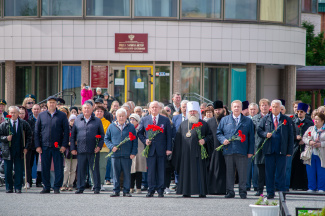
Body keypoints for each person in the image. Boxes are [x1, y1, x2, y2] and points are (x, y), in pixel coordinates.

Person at [172, 101, 212, 197]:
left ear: (198, 112)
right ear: (188, 112)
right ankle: (186, 191)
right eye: (191, 111)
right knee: (186, 172)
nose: (192, 113)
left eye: (194, 111)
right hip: (185, 154)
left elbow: (210, 136)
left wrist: (204, 140)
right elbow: (178, 140)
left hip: (198, 153)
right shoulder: (183, 124)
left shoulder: (204, 124)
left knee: (199, 172)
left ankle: (201, 191)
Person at [217, 100, 255, 199]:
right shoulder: (225, 120)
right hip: (228, 150)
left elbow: (251, 137)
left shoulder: (248, 121)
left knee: (242, 173)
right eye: (235, 107)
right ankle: (230, 191)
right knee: (229, 172)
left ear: (241, 108)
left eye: (238, 107)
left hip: (242, 151)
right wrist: (223, 140)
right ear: (231, 108)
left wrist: (251, 151)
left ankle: (242, 191)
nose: (237, 108)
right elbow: (219, 133)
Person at [257, 99, 294, 199]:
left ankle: (282, 193)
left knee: (281, 173)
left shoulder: (286, 119)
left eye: (276, 106)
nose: (274, 108)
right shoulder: (266, 119)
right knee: (269, 173)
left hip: (281, 150)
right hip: (269, 150)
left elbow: (291, 136)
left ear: (280, 108)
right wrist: (265, 134)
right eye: (272, 107)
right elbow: (259, 130)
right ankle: (270, 192)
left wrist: (289, 151)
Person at [35, 96, 70, 194]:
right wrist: (37, 146)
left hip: (57, 147)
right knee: (45, 167)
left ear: (56, 104)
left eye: (54, 102)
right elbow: (37, 132)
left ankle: (56, 187)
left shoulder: (62, 115)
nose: (52, 104)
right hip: (44, 146)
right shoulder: (41, 115)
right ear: (47, 103)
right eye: (50, 102)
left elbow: (66, 132)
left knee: (58, 167)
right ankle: (46, 186)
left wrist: (64, 145)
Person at [138, 101, 172, 197]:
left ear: (159, 109)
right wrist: (145, 140)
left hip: (162, 149)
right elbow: (140, 133)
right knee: (151, 171)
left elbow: (169, 135)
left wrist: (169, 148)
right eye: (152, 107)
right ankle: (151, 189)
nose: (154, 109)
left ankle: (161, 190)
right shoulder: (144, 119)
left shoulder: (165, 120)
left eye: (156, 107)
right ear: (149, 109)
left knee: (161, 170)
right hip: (150, 149)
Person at [105, 108, 137, 197]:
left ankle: (126, 191)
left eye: (123, 116)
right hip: (115, 155)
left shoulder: (131, 127)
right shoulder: (111, 126)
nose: (121, 118)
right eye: (120, 116)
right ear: (116, 116)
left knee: (127, 173)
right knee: (115, 173)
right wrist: (111, 147)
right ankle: (116, 190)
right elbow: (106, 139)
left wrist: (133, 152)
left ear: (126, 116)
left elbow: (135, 141)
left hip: (127, 155)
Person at [0, 106, 32, 193]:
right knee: (8, 170)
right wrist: (6, 138)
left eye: (14, 113)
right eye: (11, 113)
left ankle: (18, 187)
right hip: (8, 150)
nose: (13, 114)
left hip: (19, 149)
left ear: (18, 114)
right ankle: (9, 187)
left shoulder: (23, 123)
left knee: (18, 169)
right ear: (9, 114)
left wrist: (26, 147)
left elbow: (29, 136)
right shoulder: (4, 124)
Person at [291, 103, 313, 191]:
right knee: (295, 166)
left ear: (305, 112)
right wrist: (295, 137)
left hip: (305, 148)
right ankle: (294, 185)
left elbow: (311, 134)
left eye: (301, 112)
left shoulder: (309, 123)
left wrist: (304, 139)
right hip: (295, 147)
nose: (299, 113)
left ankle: (304, 185)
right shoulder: (293, 122)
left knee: (304, 166)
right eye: (298, 111)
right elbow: (289, 133)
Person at [207, 100, 226, 195]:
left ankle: (222, 189)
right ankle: (212, 189)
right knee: (212, 169)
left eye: (219, 110)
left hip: (225, 149)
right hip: (212, 149)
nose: (217, 112)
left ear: (223, 109)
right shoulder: (209, 122)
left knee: (223, 170)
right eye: (216, 110)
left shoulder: (227, 120)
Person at [302, 112, 325, 193]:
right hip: (311, 153)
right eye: (315, 120)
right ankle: (311, 187)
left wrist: (321, 144)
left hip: (322, 154)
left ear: (322, 121)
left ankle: (321, 188)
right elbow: (304, 137)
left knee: (321, 171)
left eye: (318, 120)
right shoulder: (310, 129)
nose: (315, 121)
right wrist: (309, 141)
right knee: (310, 171)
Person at [252, 98, 270, 196]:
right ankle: (259, 190)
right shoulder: (255, 118)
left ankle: (270, 189)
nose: (263, 107)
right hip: (258, 146)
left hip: (269, 146)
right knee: (259, 170)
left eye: (265, 105)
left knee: (270, 169)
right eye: (262, 105)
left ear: (269, 106)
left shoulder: (272, 117)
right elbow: (252, 134)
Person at [93, 106, 111, 191]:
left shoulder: (107, 123)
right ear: (95, 112)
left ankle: (101, 183)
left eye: (101, 111)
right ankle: (93, 183)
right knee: (92, 166)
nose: (99, 113)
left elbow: (107, 135)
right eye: (97, 111)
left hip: (103, 147)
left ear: (103, 113)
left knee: (102, 166)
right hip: (92, 147)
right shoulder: (91, 121)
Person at [129, 113, 147, 194]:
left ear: (137, 121)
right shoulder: (128, 128)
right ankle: (131, 187)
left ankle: (139, 187)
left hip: (140, 151)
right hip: (131, 151)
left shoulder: (140, 129)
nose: (132, 121)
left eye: (134, 120)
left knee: (139, 170)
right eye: (131, 119)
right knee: (131, 171)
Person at [61, 114, 78, 191]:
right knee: (66, 169)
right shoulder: (66, 129)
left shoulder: (78, 129)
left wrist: (76, 142)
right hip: (68, 151)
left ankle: (70, 184)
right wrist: (67, 142)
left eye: (74, 120)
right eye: (71, 120)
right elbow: (63, 137)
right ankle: (64, 184)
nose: (73, 122)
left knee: (73, 169)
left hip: (76, 151)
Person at [28, 104, 42, 187]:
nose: (36, 111)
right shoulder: (29, 120)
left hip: (40, 145)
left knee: (39, 165)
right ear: (32, 110)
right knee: (30, 164)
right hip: (31, 145)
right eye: (35, 109)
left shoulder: (42, 119)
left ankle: (39, 181)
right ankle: (28, 181)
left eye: (37, 109)